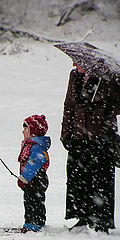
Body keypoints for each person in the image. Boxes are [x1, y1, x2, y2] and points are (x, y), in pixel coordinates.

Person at [61, 62, 120, 233]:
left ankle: (101, 221)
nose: (74, 64)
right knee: (78, 179)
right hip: (78, 138)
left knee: (101, 180)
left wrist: (101, 102)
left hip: (101, 139)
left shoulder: (107, 78)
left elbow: (117, 105)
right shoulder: (74, 76)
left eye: (78, 63)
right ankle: (82, 217)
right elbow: (68, 106)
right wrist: (66, 134)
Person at [17, 114, 51, 233]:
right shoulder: (30, 145)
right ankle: (29, 222)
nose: (23, 131)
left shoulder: (36, 147)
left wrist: (24, 177)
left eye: (26, 129)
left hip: (36, 179)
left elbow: (33, 163)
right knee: (28, 201)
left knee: (35, 202)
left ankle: (35, 223)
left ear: (33, 132)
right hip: (30, 180)